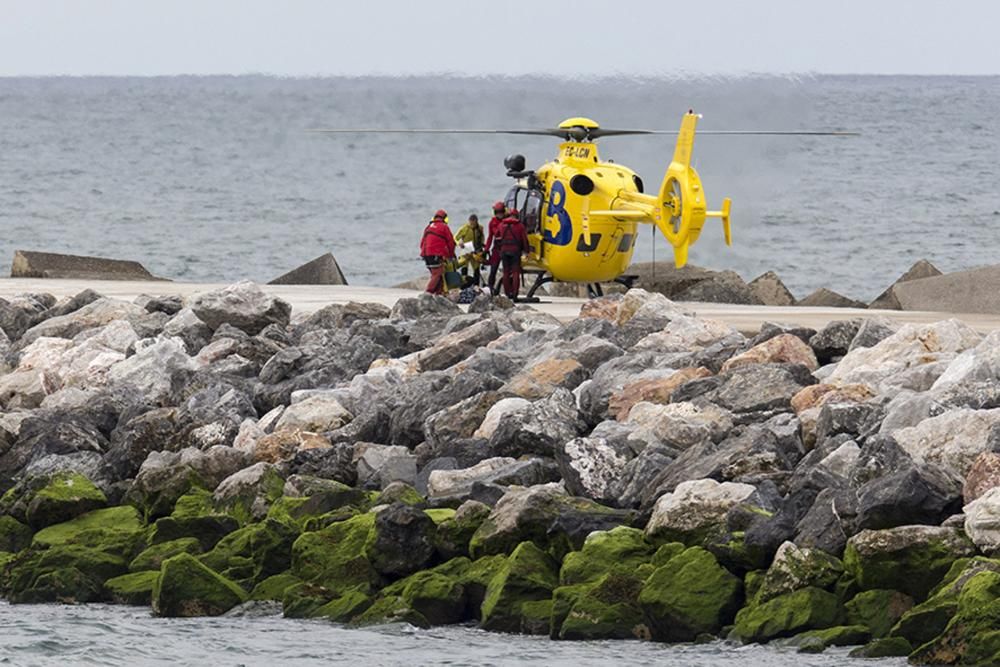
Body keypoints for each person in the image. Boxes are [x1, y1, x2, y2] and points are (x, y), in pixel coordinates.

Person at [419, 209, 455, 295]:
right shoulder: (444, 227)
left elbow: (422, 242)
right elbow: (451, 243)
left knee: (437, 274)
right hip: (435, 254)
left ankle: (439, 293)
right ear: (444, 218)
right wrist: (451, 255)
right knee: (437, 273)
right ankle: (427, 293)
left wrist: (424, 254)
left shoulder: (428, 227)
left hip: (425, 254)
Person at [498, 208, 530, 300]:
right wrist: (526, 251)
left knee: (506, 272)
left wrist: (499, 250)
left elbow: (497, 237)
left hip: (504, 251)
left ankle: (507, 294)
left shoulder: (501, 225)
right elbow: (524, 240)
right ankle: (515, 294)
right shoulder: (520, 226)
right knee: (516, 273)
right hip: (515, 251)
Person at [454, 213, 485, 286]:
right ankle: (463, 286)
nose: (472, 225)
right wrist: (459, 243)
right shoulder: (465, 228)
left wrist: (482, 247)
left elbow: (482, 238)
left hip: (476, 252)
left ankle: (476, 286)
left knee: (476, 269)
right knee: (464, 268)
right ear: (469, 221)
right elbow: (455, 237)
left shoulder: (480, 228)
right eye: (471, 223)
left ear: (477, 221)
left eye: (474, 223)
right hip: (466, 251)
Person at [483, 201, 506, 293]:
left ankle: (507, 289)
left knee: (507, 269)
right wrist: (486, 250)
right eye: (497, 212)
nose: (499, 214)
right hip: (497, 246)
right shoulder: (492, 222)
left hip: (505, 245)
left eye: (501, 212)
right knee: (493, 268)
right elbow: (490, 237)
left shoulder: (507, 220)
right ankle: (490, 287)